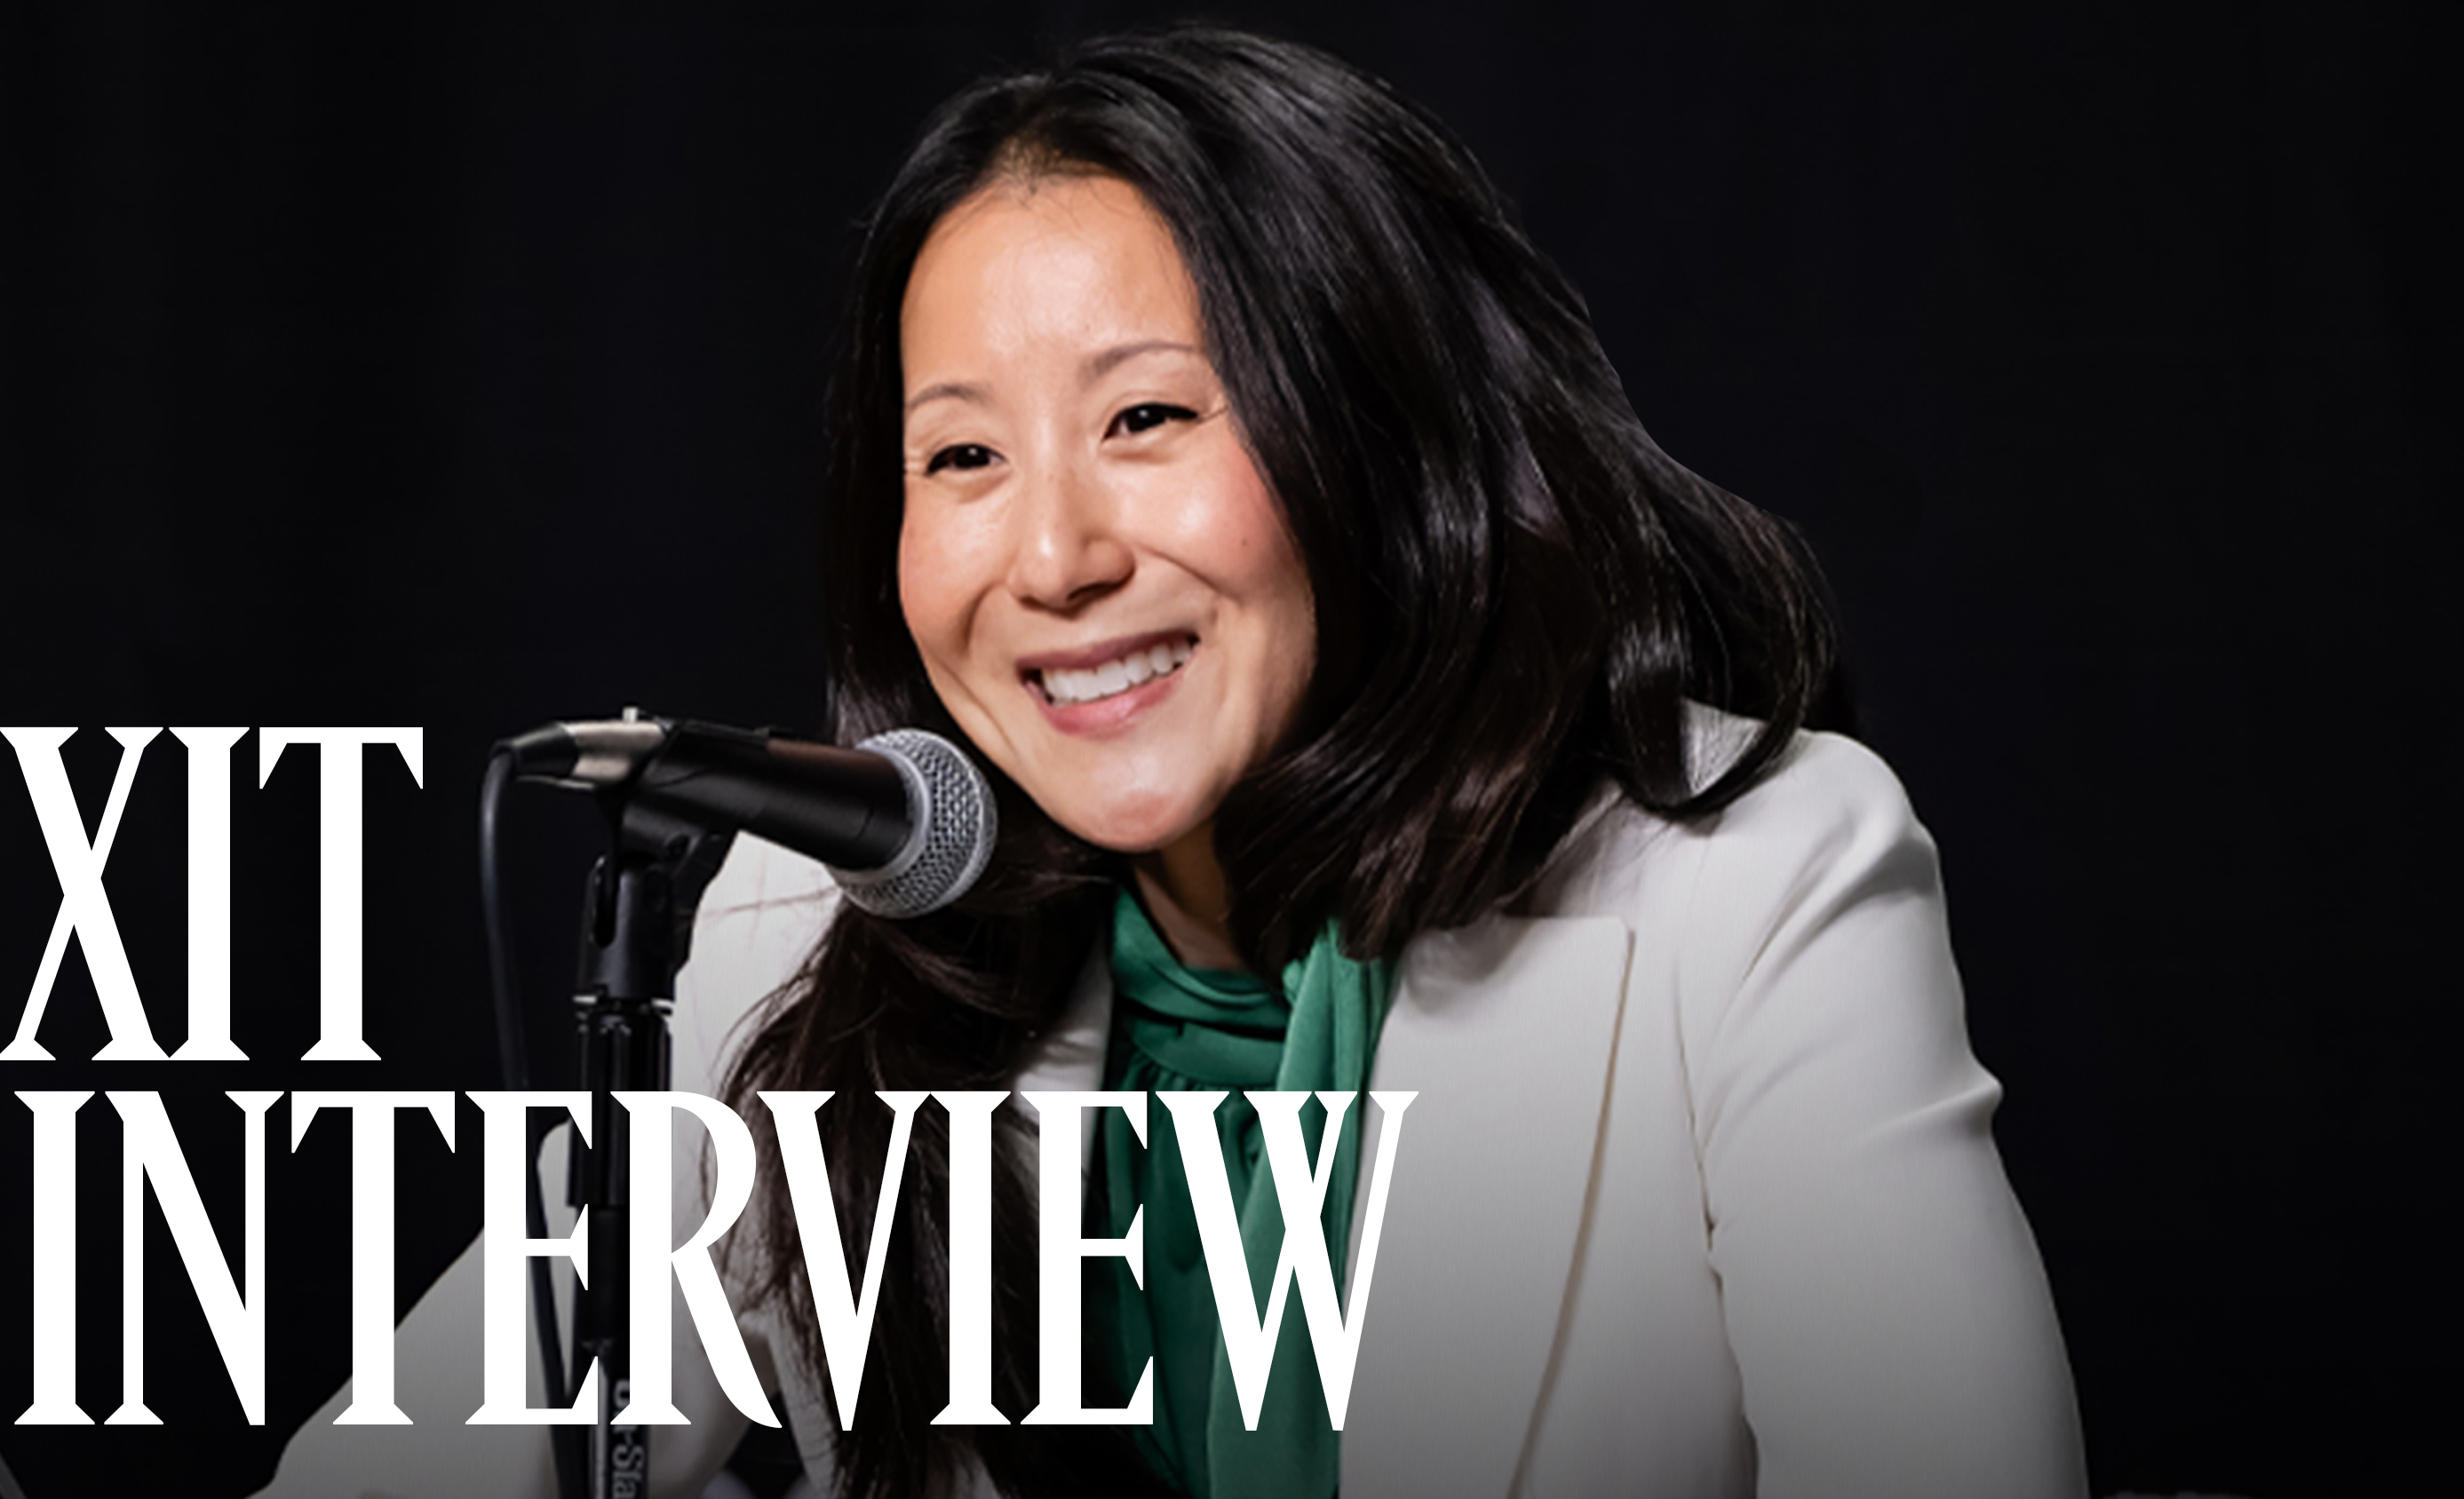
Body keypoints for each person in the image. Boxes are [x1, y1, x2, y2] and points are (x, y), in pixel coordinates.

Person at [261, 26, 2083, 1499]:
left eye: (1146, 419)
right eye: (961, 458)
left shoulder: (1749, 876)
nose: (1051, 559)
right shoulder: (806, 914)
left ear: (1385, 444)